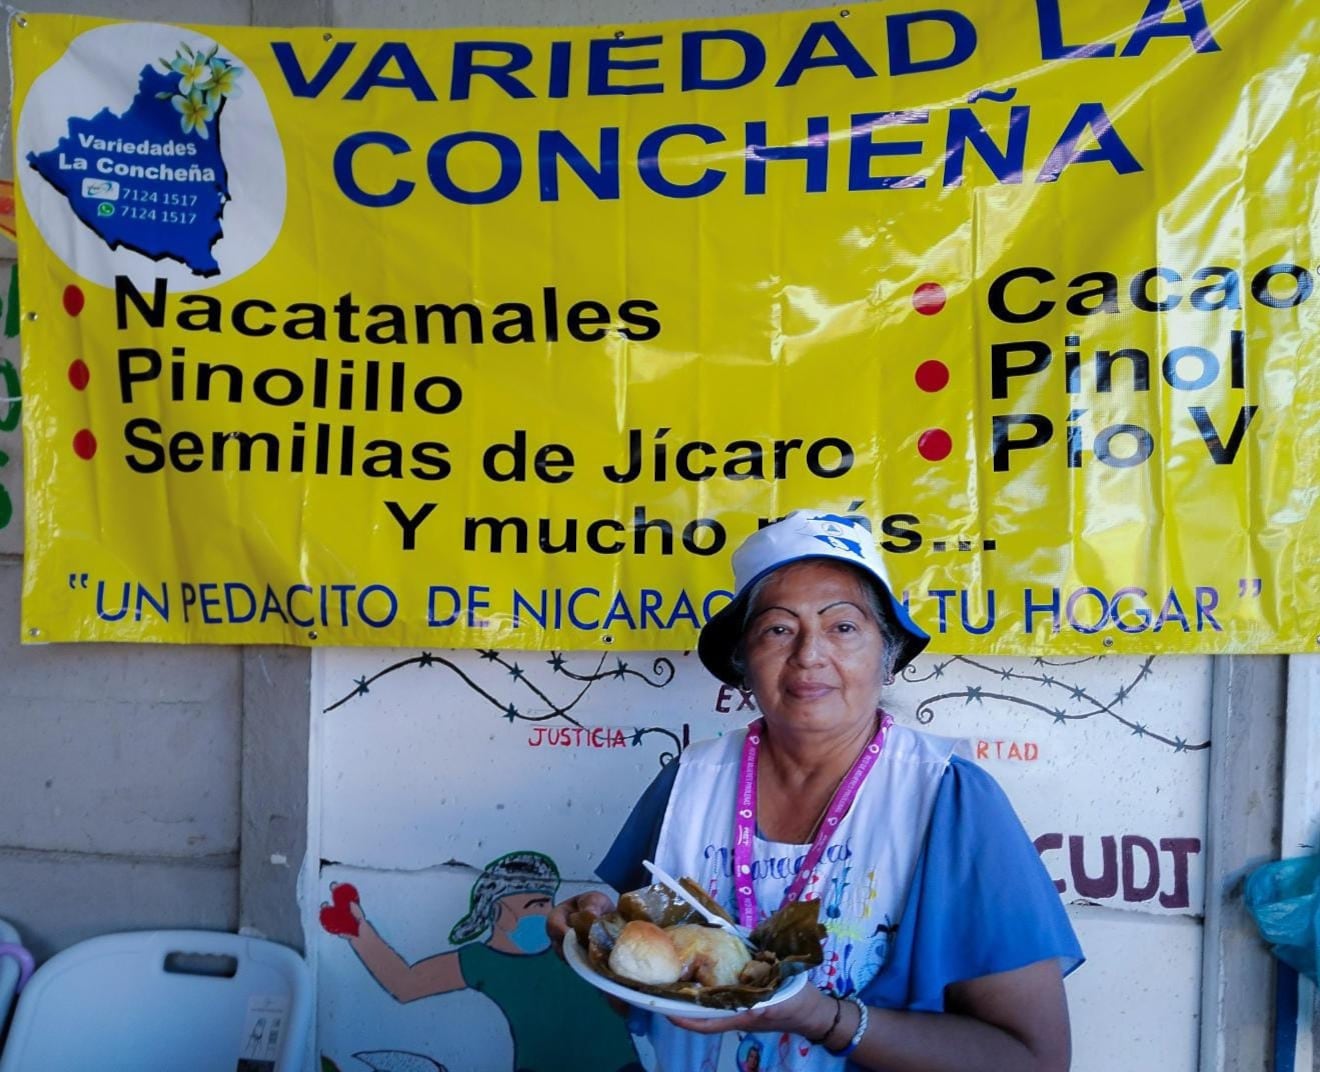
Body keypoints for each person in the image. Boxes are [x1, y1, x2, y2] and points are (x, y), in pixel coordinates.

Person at [549, 510, 1083, 1071]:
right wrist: (591, 943)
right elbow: (640, 994)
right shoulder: (687, 782)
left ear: (890, 653)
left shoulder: (947, 797)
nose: (808, 654)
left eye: (843, 627)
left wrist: (823, 1018)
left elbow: (1032, 1059)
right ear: (742, 662)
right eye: (778, 629)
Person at [326, 850, 643, 1072]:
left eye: (548, 901)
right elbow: (406, 984)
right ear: (497, 912)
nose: (548, 912)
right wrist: (359, 931)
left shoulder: (574, 943)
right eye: (535, 904)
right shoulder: (482, 961)